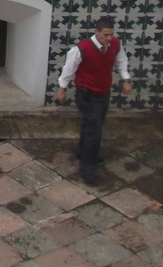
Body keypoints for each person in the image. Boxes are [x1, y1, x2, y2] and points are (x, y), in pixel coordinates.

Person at [56, 15, 133, 185]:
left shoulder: (115, 44)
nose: (109, 38)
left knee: (93, 125)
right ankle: (88, 168)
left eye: (111, 34)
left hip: (103, 93)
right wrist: (62, 88)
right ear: (96, 32)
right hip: (87, 95)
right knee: (94, 131)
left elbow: (121, 61)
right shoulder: (81, 49)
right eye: (106, 35)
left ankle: (83, 151)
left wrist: (126, 79)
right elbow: (69, 69)